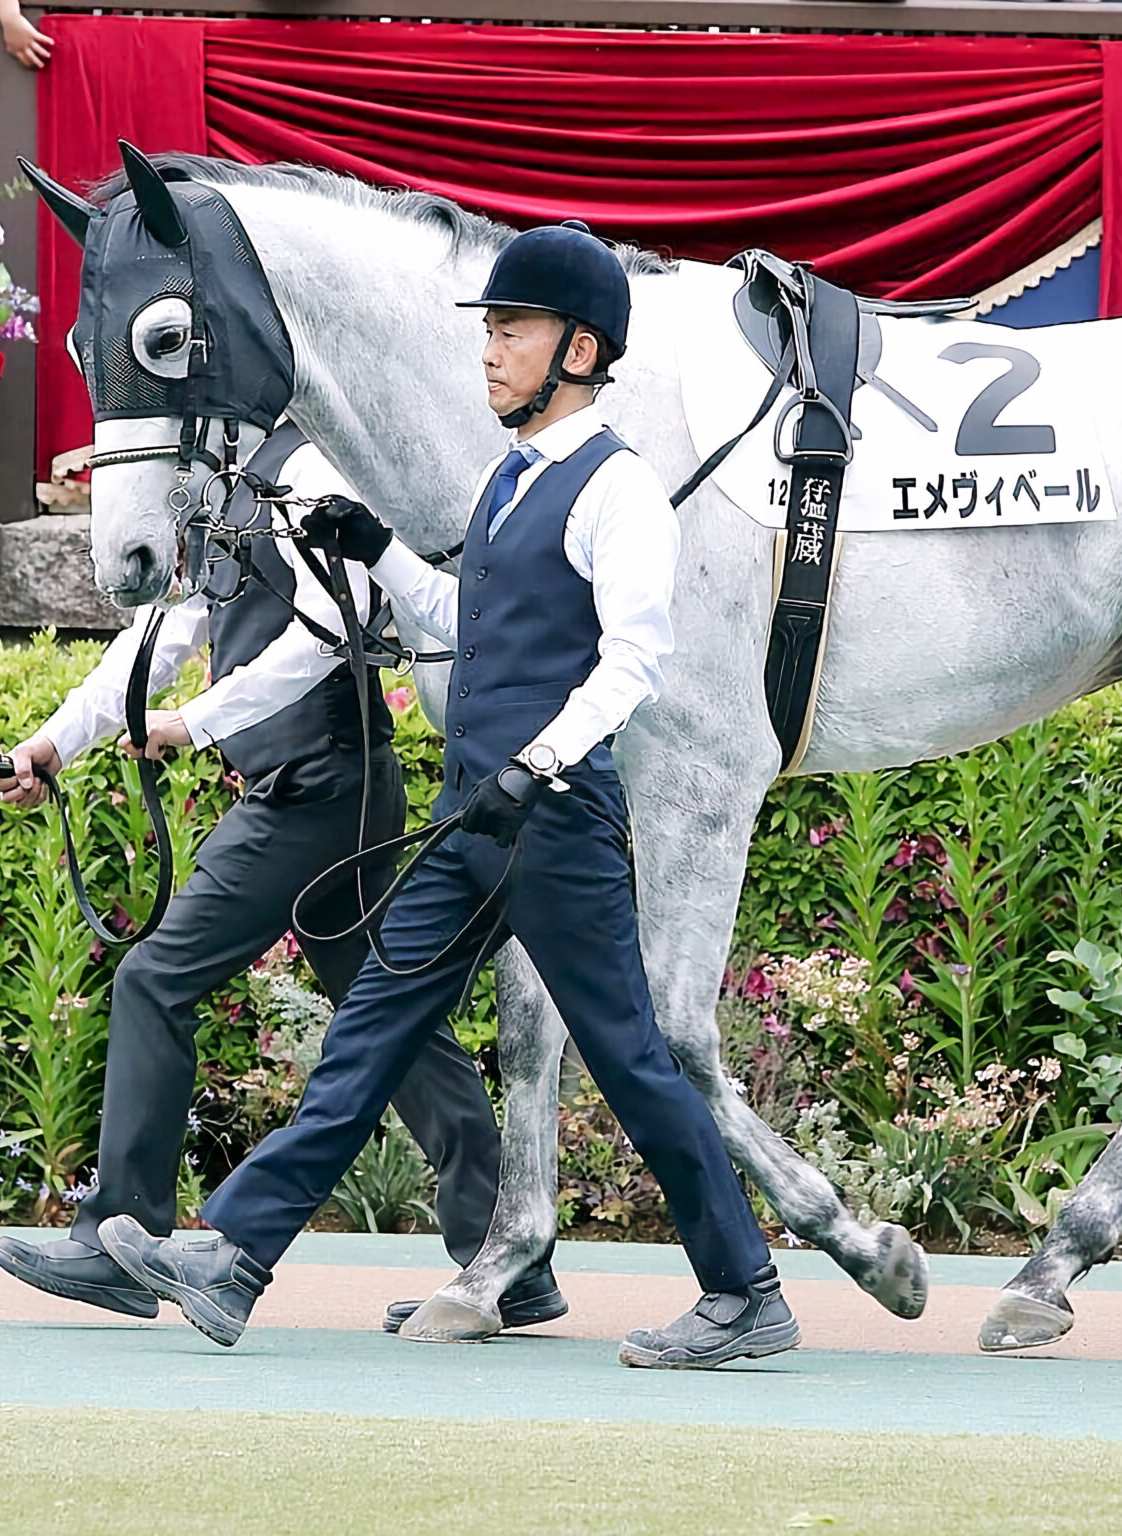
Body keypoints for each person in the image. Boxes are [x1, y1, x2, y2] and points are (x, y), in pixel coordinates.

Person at [96, 221, 801, 1371]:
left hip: (551, 822)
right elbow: (460, 621)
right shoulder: (508, 475)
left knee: (629, 1057)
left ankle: (743, 1288)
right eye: (488, 330)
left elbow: (635, 658)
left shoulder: (618, 490)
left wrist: (540, 764)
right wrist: (368, 543)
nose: (489, 352)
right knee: (367, 1031)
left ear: (579, 348)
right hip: (476, 816)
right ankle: (234, 1259)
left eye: (510, 332)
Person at [0, 429, 565, 1337]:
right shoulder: (217, 484)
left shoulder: (311, 467)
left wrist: (196, 723)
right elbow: (163, 633)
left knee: (155, 976)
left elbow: (328, 640)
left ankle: (116, 1240)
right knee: (389, 1012)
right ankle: (507, 1257)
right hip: (327, 786)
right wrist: (52, 744)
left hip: (320, 788)